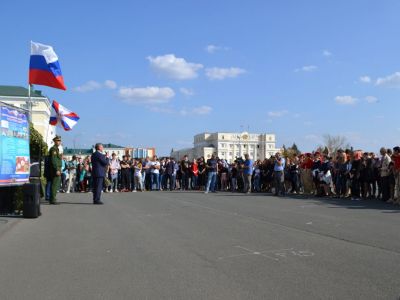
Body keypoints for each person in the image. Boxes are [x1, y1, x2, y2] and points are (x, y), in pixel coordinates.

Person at [48, 135, 62, 204]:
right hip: (55, 169)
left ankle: (52, 198)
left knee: (55, 184)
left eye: (60, 141)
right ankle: (53, 199)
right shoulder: (53, 149)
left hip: (57, 169)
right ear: (54, 141)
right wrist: (57, 169)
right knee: (54, 184)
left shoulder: (56, 149)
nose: (59, 142)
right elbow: (54, 160)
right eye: (58, 140)